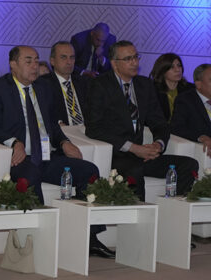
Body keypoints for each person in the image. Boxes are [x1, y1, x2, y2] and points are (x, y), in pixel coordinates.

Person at [0, 46, 112, 256]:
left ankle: (89, 238)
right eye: (28, 61)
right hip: (20, 159)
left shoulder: (43, 88)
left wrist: (64, 142)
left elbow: (51, 125)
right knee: (31, 173)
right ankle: (40, 240)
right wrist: (14, 142)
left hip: (47, 156)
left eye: (36, 60)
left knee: (88, 170)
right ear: (13, 64)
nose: (34, 66)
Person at [85, 41, 198, 200]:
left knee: (189, 165)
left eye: (136, 57)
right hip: (117, 155)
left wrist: (158, 144)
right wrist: (133, 148)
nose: (134, 62)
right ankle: (141, 212)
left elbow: (160, 123)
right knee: (134, 171)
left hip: (143, 155)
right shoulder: (100, 85)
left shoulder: (144, 85)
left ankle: (173, 209)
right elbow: (94, 128)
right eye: (128, 59)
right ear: (114, 64)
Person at [34, 41, 89, 127]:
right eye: (63, 57)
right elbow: (41, 112)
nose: (69, 62)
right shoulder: (43, 84)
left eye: (72, 57)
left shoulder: (85, 82)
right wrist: (58, 123)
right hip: (62, 131)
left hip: (87, 130)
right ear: (52, 61)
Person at [169, 63, 211, 157]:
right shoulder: (185, 100)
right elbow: (177, 128)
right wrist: (200, 137)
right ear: (198, 84)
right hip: (199, 152)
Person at [149, 52, 191, 121]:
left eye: (179, 65)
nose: (177, 70)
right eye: (172, 67)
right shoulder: (152, 90)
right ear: (162, 70)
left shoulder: (190, 89)